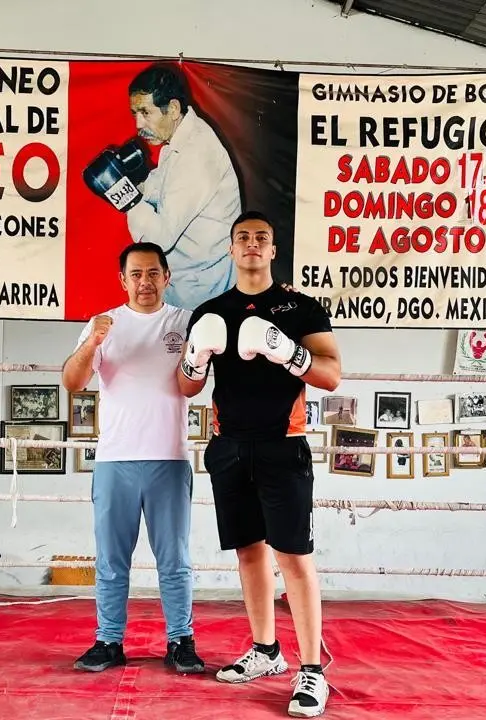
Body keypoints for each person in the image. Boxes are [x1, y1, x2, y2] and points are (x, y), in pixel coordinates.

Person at [176, 211, 341, 718]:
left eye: (261, 238)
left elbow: (331, 375)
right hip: (229, 447)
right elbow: (186, 388)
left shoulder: (302, 309)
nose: (251, 244)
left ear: (273, 250)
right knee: (249, 553)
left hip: (283, 445)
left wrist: (286, 352)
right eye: (242, 237)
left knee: (293, 558)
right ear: (231, 249)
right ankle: (266, 651)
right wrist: (196, 358)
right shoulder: (210, 311)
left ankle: (312, 672)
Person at [61, 241, 205, 676]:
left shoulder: (186, 322)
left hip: (169, 458)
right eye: (136, 274)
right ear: (123, 280)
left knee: (175, 560)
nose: (145, 282)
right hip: (115, 460)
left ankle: (180, 640)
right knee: (110, 560)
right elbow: (72, 381)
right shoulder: (103, 323)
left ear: (167, 277)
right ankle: (109, 641)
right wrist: (94, 342)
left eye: (153, 273)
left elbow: (193, 387)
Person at [124, 63, 242, 310]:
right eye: (135, 113)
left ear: (174, 109)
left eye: (145, 112)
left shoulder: (196, 153)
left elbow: (159, 239)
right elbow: (162, 187)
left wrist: (125, 198)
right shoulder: (179, 139)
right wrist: (134, 183)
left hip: (202, 294)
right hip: (187, 285)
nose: (138, 124)